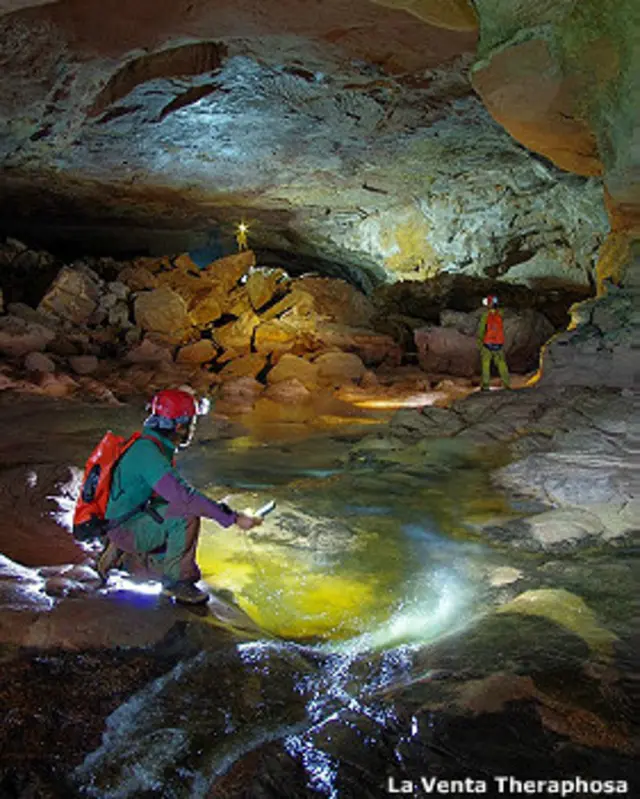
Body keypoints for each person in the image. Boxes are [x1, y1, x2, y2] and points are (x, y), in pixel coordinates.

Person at [96, 388, 262, 605]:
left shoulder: (148, 445)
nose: (192, 430)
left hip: (121, 520)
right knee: (185, 513)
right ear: (180, 425)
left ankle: (120, 553)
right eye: (192, 423)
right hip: (125, 528)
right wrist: (233, 518)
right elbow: (185, 498)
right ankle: (177, 583)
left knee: (171, 504)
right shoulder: (150, 453)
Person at [476, 294, 511, 391]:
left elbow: (482, 330)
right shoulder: (500, 314)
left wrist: (479, 342)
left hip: (488, 343)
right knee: (501, 364)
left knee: (486, 364)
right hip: (499, 343)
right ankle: (506, 384)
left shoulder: (485, 315)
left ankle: (486, 386)